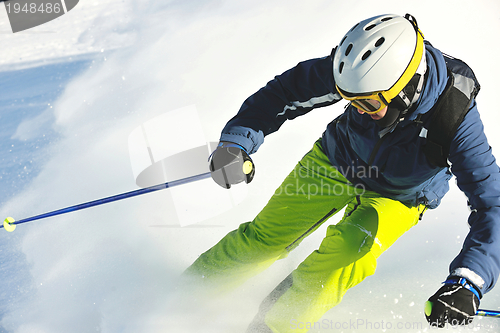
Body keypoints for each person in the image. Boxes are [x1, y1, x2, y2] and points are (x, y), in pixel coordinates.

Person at [183, 14, 500, 332]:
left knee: (346, 255)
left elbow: (492, 204)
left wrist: (469, 281)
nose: (357, 109)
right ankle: (181, 297)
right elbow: (284, 93)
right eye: (349, 100)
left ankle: (270, 328)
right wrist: (235, 144)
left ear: (405, 91)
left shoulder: (455, 118)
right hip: (337, 159)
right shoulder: (358, 69)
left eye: (367, 103)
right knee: (264, 239)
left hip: (402, 194)